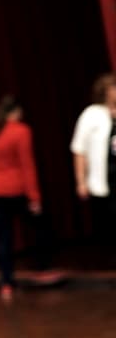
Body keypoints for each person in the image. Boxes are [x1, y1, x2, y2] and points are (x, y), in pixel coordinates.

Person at [0, 95, 55, 301]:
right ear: (17, 112)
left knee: (3, 238)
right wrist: (34, 197)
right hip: (15, 189)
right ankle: (42, 268)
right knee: (41, 226)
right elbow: (27, 165)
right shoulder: (21, 131)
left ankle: (6, 283)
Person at [70, 73, 116, 248]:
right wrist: (81, 181)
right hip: (104, 177)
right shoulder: (92, 114)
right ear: (105, 92)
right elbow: (79, 149)